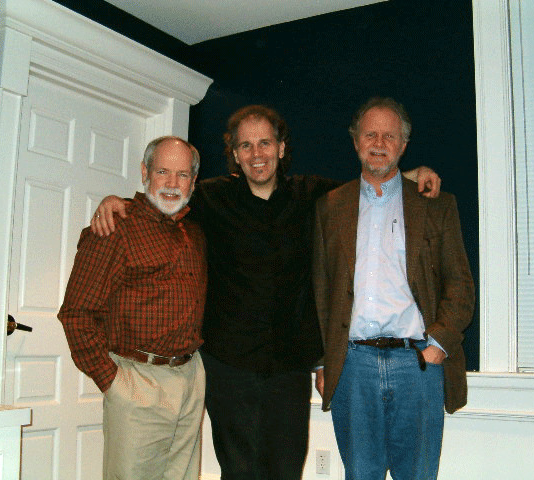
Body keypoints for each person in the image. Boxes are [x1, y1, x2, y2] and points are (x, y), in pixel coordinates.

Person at [91, 105, 441, 480]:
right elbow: (166, 199)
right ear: (235, 154)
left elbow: (368, 189)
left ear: (281, 148)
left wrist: (409, 175)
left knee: (285, 469)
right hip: (229, 366)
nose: (256, 154)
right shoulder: (210, 198)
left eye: (265, 143)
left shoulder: (313, 196)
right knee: (239, 470)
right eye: (246, 146)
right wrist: (122, 203)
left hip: (289, 368)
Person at [312, 97, 475, 480]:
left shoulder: (435, 205)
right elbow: (319, 291)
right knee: (360, 474)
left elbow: (461, 284)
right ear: (355, 141)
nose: (379, 142)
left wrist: (437, 346)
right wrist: (322, 361)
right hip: (353, 367)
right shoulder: (328, 207)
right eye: (371, 134)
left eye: (390, 135)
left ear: (403, 145)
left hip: (416, 363)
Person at [58, 136, 207, 480]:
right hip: (137, 379)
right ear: (144, 172)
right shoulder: (114, 227)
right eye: (162, 172)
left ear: (194, 181)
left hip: (189, 377)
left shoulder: (194, 234)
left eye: (183, 175)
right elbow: (76, 314)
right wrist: (113, 383)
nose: (172, 184)